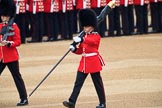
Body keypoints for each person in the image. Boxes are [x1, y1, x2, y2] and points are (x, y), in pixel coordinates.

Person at [62, 1, 115, 108]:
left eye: (87, 27)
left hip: (93, 63)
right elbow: (81, 50)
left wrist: (81, 38)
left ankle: (102, 103)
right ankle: (72, 101)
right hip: (84, 63)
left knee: (97, 84)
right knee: (78, 83)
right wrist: (73, 49)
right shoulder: (84, 36)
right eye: (84, 27)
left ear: (92, 27)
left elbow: (91, 42)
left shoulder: (95, 35)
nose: (85, 29)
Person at [0, 0, 28, 106]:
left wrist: (9, 43)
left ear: (9, 16)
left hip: (11, 57)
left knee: (17, 77)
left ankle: (24, 98)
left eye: (5, 16)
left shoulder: (14, 26)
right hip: (1, 56)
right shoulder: (0, 26)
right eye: (2, 16)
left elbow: (18, 41)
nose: (3, 18)